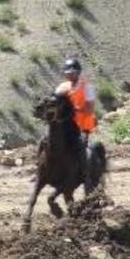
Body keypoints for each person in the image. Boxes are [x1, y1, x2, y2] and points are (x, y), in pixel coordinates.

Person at [54, 58, 97, 189]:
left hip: (82, 126)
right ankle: (43, 170)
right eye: (68, 73)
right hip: (66, 126)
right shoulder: (62, 88)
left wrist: (73, 108)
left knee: (84, 151)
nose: (70, 75)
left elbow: (89, 108)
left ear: (78, 73)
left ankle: (87, 177)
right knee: (47, 143)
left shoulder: (88, 87)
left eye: (73, 72)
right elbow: (55, 103)